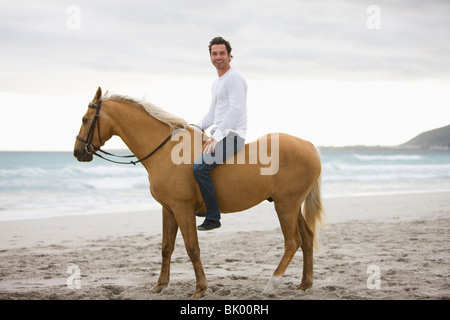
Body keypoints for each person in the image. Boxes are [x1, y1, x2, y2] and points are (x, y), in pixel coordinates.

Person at [192, 37, 248, 231]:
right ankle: (203, 203)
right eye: (214, 54)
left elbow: (235, 109)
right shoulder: (217, 83)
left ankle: (213, 216)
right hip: (220, 133)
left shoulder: (234, 78)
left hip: (233, 135)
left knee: (199, 168)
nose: (218, 57)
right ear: (210, 56)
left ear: (230, 55)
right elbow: (212, 115)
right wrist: (194, 127)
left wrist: (216, 137)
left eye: (222, 53)